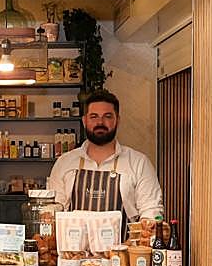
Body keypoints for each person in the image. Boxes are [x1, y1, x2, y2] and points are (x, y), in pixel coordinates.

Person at [45, 89, 164, 237]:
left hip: (123, 256)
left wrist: (150, 224)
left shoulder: (139, 163)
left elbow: (151, 209)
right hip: (73, 256)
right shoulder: (65, 163)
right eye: (94, 116)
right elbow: (53, 210)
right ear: (84, 121)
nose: (100, 122)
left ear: (117, 120)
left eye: (107, 116)